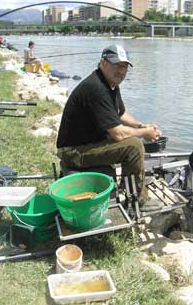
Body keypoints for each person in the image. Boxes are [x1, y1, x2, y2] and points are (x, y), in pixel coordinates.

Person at [56, 44, 162, 211]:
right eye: (116, 65)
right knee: (134, 146)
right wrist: (144, 133)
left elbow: (120, 114)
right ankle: (137, 200)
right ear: (103, 63)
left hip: (85, 145)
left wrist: (142, 125)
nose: (121, 71)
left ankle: (129, 187)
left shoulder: (109, 84)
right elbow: (119, 134)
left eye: (124, 66)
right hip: (73, 152)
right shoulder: (96, 88)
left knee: (132, 140)